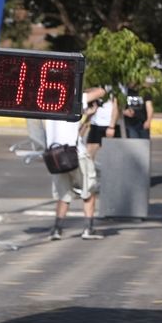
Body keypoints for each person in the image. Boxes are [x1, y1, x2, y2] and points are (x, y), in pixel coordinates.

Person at [44, 87, 109, 241]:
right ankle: (88, 229)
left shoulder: (47, 103)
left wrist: (87, 116)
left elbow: (73, 130)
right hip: (76, 154)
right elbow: (101, 92)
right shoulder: (74, 98)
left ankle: (57, 230)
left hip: (55, 156)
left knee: (63, 194)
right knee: (88, 190)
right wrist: (85, 91)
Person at [85, 87, 116, 159]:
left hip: (106, 124)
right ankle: (90, 169)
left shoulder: (113, 89)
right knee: (88, 152)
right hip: (94, 123)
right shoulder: (93, 85)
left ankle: (91, 168)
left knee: (95, 152)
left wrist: (112, 126)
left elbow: (116, 108)